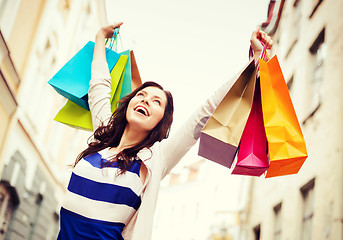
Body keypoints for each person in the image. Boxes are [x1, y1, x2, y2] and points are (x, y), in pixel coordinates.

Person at [57, 22, 273, 240]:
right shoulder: (103, 135)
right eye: (141, 95)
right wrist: (100, 38)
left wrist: (255, 59)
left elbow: (205, 112)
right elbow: (99, 86)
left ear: (161, 121)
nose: (145, 100)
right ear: (130, 103)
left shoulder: (155, 159)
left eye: (156, 101)